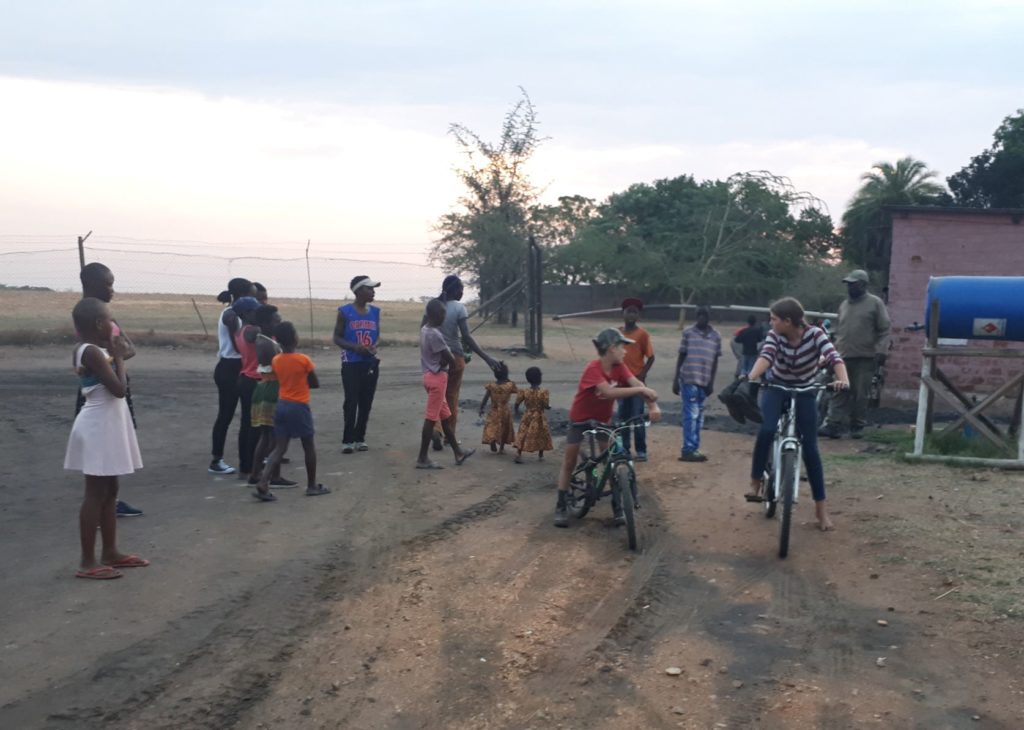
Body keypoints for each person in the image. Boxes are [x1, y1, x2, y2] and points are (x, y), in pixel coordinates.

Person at [742, 297, 849, 531]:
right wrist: (751, 376)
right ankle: (756, 482)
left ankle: (821, 511)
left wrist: (843, 379)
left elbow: (834, 357)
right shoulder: (774, 336)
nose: (771, 323)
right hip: (776, 387)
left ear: (788, 321)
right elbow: (766, 357)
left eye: (774, 319)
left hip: (805, 390)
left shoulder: (816, 334)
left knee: (810, 446)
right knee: (767, 429)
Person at [64, 298, 148, 579]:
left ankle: (110, 551)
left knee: (110, 490)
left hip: (108, 424)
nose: (114, 325)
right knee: (95, 493)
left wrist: (117, 353)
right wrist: (119, 356)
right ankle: (87, 562)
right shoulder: (91, 352)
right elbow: (119, 390)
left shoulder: (96, 349)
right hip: (98, 426)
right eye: (110, 320)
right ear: (100, 324)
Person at [554, 329, 661, 528]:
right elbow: (609, 392)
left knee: (612, 459)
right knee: (569, 460)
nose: (625, 351)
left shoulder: (620, 367)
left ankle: (618, 506)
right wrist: (640, 390)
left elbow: (637, 383)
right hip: (580, 418)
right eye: (622, 347)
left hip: (603, 419)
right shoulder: (593, 368)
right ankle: (561, 504)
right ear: (612, 348)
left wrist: (652, 406)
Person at [78, 262, 144, 518]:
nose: (112, 289)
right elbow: (119, 351)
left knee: (112, 445)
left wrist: (116, 354)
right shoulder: (88, 315)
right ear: (91, 284)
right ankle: (102, 502)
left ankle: (110, 500)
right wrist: (116, 356)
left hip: (111, 379)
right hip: (103, 387)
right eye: (108, 284)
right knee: (101, 449)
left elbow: (129, 347)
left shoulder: (102, 313)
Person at [254, 322, 330, 501]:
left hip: (282, 404)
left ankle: (263, 482)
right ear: (295, 338)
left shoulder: (276, 360)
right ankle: (311, 485)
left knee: (279, 447)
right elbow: (315, 383)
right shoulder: (303, 360)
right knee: (308, 445)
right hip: (299, 406)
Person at [820, 269, 891, 440]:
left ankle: (857, 425)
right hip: (842, 356)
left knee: (860, 394)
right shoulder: (844, 305)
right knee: (839, 391)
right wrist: (832, 353)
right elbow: (839, 330)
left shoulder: (875, 303)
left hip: (865, 357)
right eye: (848, 284)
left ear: (863, 285)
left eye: (854, 284)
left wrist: (881, 351)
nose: (850, 287)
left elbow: (885, 329)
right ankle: (833, 425)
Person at [429, 275, 499, 450]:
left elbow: (424, 330)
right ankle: (448, 435)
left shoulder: (433, 306)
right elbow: (467, 337)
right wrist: (487, 358)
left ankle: (436, 428)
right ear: (454, 290)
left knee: (437, 395)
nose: (462, 292)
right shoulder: (460, 308)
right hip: (455, 357)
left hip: (435, 358)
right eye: (461, 289)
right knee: (451, 396)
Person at [416, 298, 476, 469]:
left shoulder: (424, 330)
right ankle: (422, 458)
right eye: (443, 313)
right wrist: (449, 360)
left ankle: (458, 451)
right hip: (437, 379)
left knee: (445, 417)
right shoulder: (435, 334)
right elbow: (450, 359)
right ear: (437, 315)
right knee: (431, 419)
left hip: (428, 375)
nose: (445, 317)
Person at [209, 277, 255, 475]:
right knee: (227, 415)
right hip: (231, 367)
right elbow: (238, 344)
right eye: (252, 294)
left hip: (236, 365)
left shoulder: (235, 313)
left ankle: (248, 460)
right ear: (243, 295)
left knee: (246, 416)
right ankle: (217, 460)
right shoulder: (231, 315)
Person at [248, 305, 296, 488]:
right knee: (277, 437)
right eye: (277, 320)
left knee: (266, 436)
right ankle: (273, 476)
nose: (279, 323)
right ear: (266, 323)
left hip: (264, 387)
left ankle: (255, 473)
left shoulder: (263, 340)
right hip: (273, 388)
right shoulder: (268, 344)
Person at [333, 276, 381, 454]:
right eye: (370, 288)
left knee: (366, 401)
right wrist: (354, 347)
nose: (373, 291)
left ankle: (360, 437)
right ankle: (348, 439)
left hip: (369, 362)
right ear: (359, 291)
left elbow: (376, 336)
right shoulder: (345, 312)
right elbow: (336, 337)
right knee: (351, 400)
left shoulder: (375, 312)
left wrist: (373, 347)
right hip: (351, 362)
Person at [673, 306, 722, 462]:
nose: (701, 318)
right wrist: (675, 379)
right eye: (699, 315)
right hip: (688, 378)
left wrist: (711, 383)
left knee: (699, 416)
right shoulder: (688, 333)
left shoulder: (716, 336)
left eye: (704, 315)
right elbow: (681, 356)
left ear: (709, 317)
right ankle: (688, 449)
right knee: (691, 415)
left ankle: (694, 448)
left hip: (705, 380)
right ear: (696, 317)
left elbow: (715, 361)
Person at [618, 297, 655, 461]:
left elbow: (651, 357)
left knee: (637, 417)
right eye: (628, 311)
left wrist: (642, 374)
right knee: (622, 417)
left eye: (635, 312)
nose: (631, 315)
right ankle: (624, 449)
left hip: (637, 384)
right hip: (620, 384)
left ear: (638, 315)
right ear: (623, 313)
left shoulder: (642, 335)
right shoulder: (617, 334)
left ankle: (641, 450)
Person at [232, 297, 264, 478]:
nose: (258, 314)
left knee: (247, 425)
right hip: (254, 379)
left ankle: (246, 465)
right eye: (255, 311)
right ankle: (252, 467)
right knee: (254, 426)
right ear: (245, 313)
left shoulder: (239, 331)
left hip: (245, 377)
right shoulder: (251, 330)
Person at [514, 366, 553, 463]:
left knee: (522, 433)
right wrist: (548, 407)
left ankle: (518, 453)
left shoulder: (525, 391)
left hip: (527, 415)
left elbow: (517, 403)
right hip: (539, 417)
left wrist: (516, 411)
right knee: (542, 434)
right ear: (540, 378)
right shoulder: (543, 392)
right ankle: (540, 455)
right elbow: (546, 405)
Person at [478, 361, 517, 454]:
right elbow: (515, 391)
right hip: (505, 411)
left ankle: (492, 440)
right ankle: (501, 448)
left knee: (491, 426)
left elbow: (485, 398)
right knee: (504, 429)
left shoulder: (491, 386)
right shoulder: (509, 385)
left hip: (494, 410)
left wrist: (481, 408)